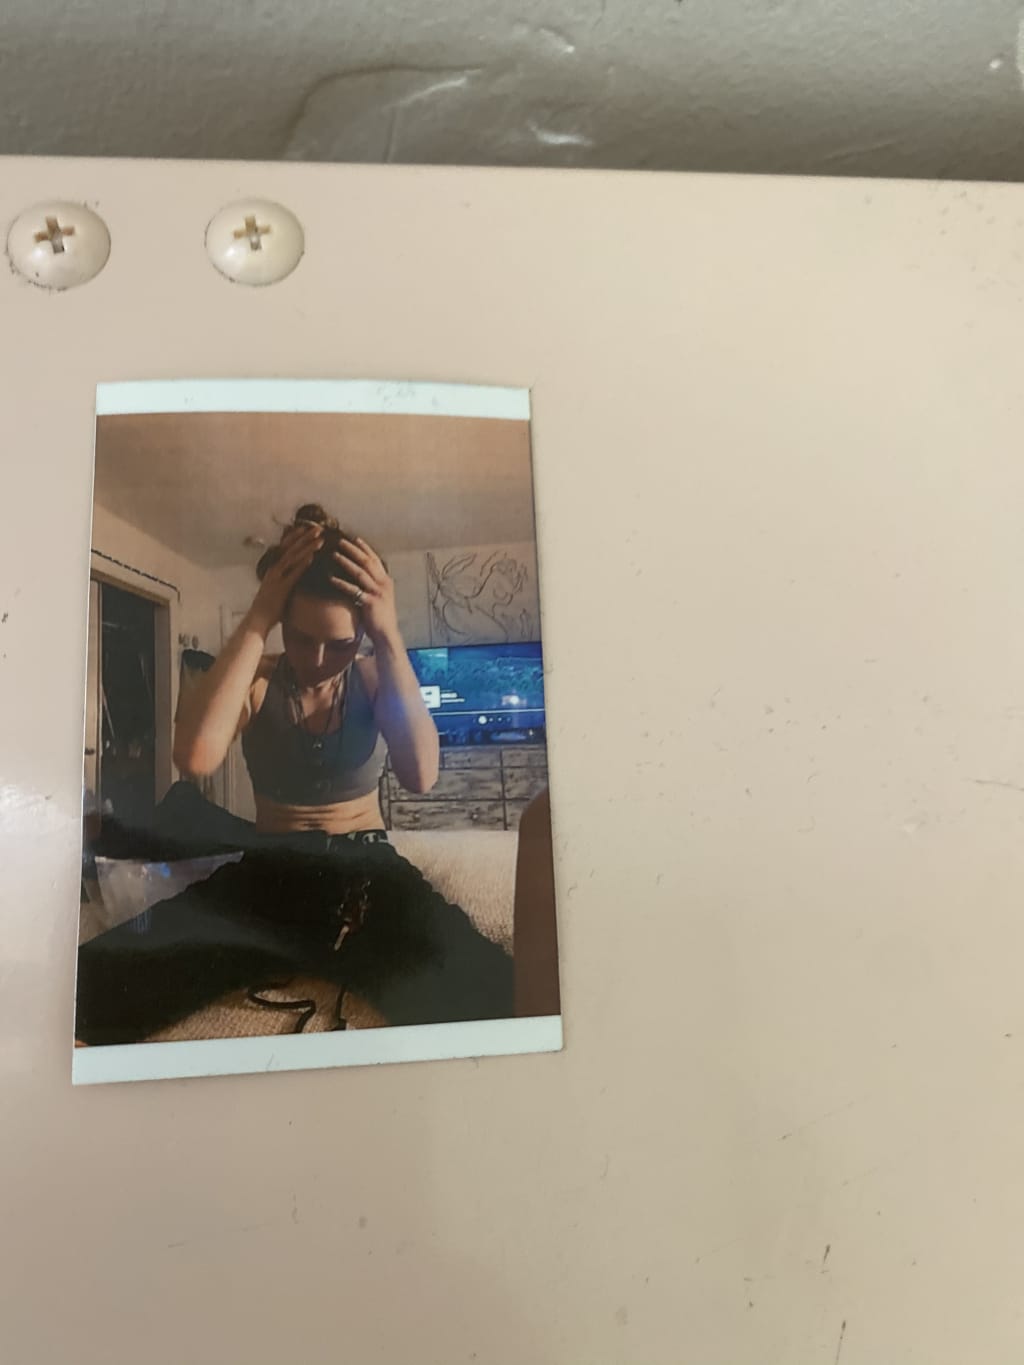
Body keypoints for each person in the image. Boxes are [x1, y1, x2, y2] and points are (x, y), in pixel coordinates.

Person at [76, 504, 513, 1045]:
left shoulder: (375, 676)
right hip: (272, 867)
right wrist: (259, 614)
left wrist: (388, 635)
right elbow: (194, 758)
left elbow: (421, 774)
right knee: (87, 991)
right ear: (283, 621)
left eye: (341, 643)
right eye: (302, 638)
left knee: (495, 997)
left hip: (364, 869)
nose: (317, 659)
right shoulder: (257, 678)